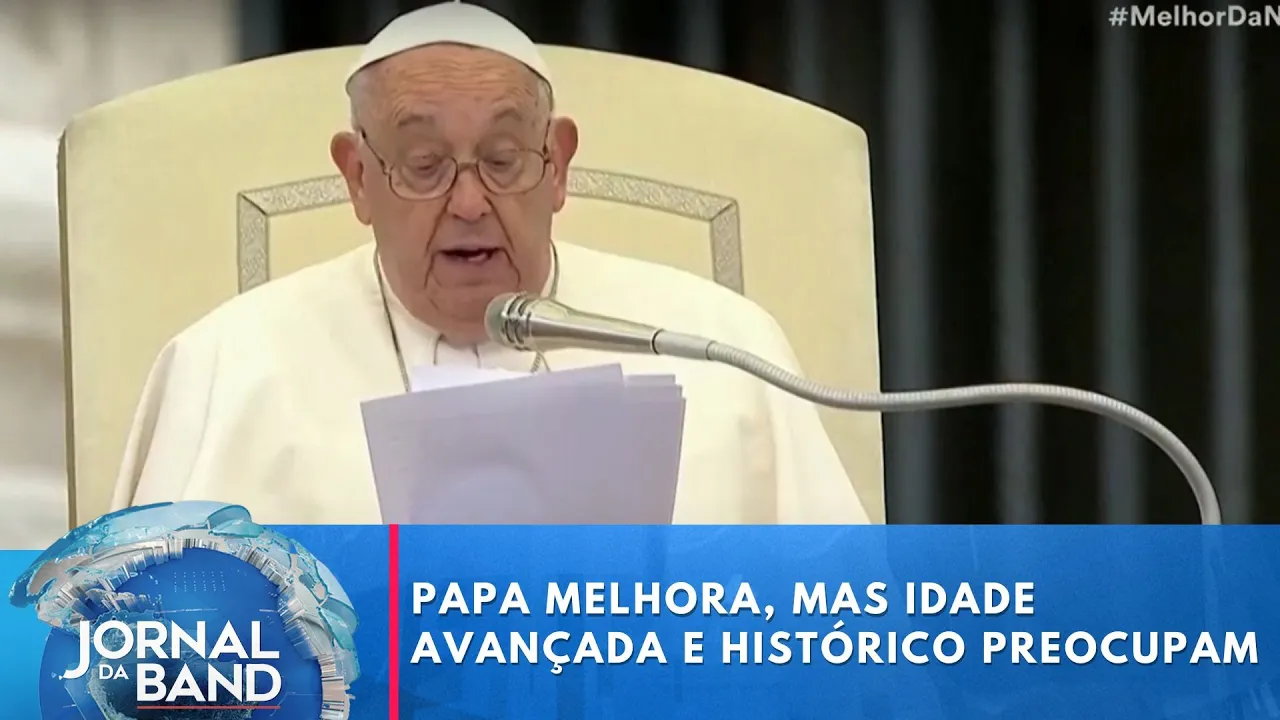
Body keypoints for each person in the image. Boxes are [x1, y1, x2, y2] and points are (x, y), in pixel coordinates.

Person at [111, 1, 872, 525]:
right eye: (423, 165)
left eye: (504, 159)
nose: (470, 202)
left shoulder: (721, 348)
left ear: (558, 164)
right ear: (358, 178)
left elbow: (843, 651)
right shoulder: (230, 367)